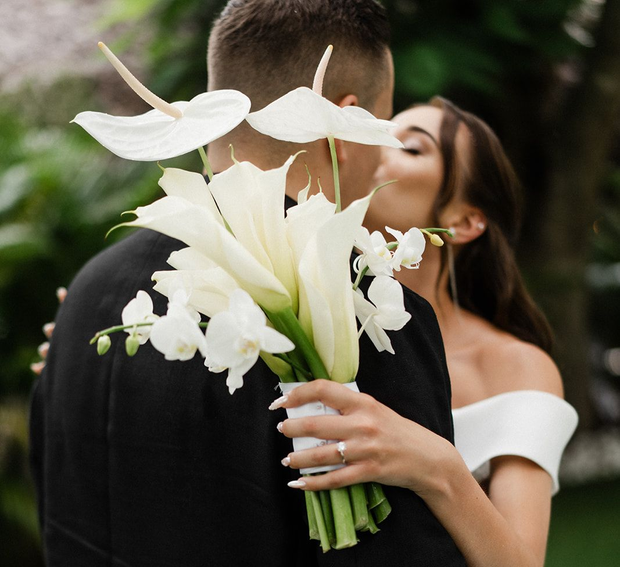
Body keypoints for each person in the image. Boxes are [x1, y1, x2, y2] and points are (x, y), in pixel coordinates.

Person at [29, 2, 466, 566]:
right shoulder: (350, 304)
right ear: (345, 119)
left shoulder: (91, 292)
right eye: (380, 128)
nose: (382, 160)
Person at [275, 98, 578, 567]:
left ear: (464, 221)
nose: (379, 148)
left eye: (410, 148)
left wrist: (436, 466)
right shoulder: (296, 323)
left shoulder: (514, 367)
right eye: (377, 133)